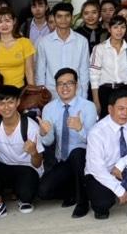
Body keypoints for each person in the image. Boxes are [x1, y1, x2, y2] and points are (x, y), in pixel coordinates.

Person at [84, 87, 127, 221]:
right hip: (102, 174)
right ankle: (104, 201)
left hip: (124, 169)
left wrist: (122, 164)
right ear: (110, 109)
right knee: (102, 205)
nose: (125, 113)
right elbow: (97, 169)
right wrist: (118, 190)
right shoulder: (97, 132)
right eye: (121, 109)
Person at [36, 68, 98, 218]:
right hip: (63, 161)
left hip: (84, 160)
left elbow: (95, 142)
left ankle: (83, 203)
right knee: (43, 191)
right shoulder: (49, 108)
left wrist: (80, 128)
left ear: (77, 85)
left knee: (77, 153)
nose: (65, 87)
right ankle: (74, 192)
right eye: (60, 84)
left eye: (69, 83)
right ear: (56, 87)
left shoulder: (88, 106)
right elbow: (49, 141)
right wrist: (44, 133)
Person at [0, 85, 44, 223]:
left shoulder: (30, 126)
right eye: (1, 103)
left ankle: (22, 197)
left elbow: (38, 163)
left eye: (10, 102)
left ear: (18, 102)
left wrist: (34, 152)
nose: (6, 107)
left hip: (27, 169)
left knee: (26, 197)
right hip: (5, 168)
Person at [37, 2, 91, 100]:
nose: (63, 20)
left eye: (67, 16)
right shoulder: (44, 42)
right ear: (54, 18)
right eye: (59, 16)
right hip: (51, 93)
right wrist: (41, 94)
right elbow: (40, 71)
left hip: (76, 93)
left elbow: (84, 70)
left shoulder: (82, 41)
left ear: (72, 18)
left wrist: (84, 95)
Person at [0, 6, 36, 89]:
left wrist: (33, 91)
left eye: (7, 21)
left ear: (14, 21)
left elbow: (29, 72)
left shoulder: (25, 43)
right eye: (0, 22)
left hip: (18, 90)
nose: (4, 25)